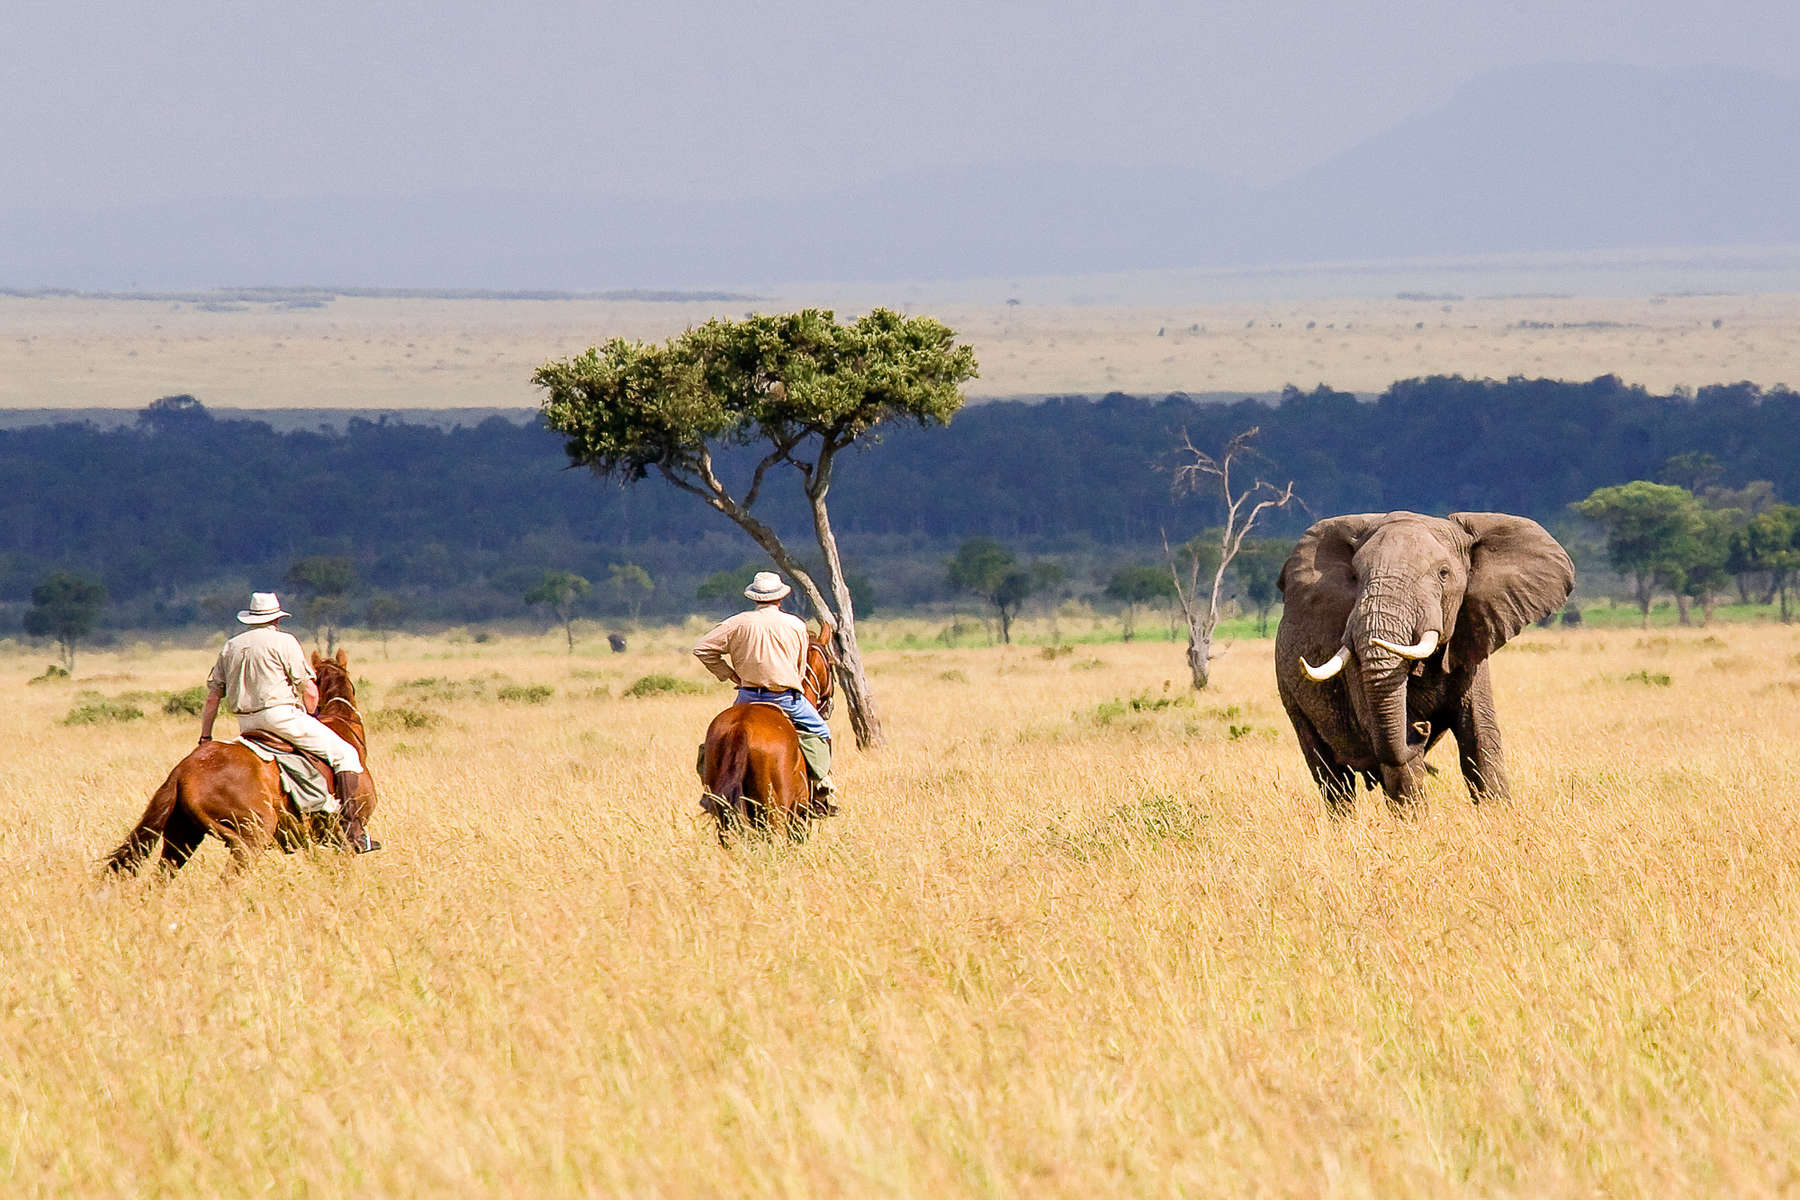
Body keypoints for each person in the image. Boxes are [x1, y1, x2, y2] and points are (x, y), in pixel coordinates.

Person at [197, 591, 380, 853]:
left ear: (250, 619)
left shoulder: (231, 646)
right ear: (276, 619)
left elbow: (213, 697)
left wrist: (206, 737)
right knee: (346, 755)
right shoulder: (284, 641)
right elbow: (309, 691)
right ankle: (353, 832)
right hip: (281, 717)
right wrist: (311, 715)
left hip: (247, 724)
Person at [692, 571, 836, 803]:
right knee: (822, 732)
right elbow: (800, 664)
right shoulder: (795, 625)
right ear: (780, 598)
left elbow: (702, 648)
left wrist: (728, 674)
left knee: (714, 740)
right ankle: (822, 790)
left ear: (754, 598)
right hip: (786, 698)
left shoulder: (736, 622)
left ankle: (711, 792)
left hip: (747, 697)